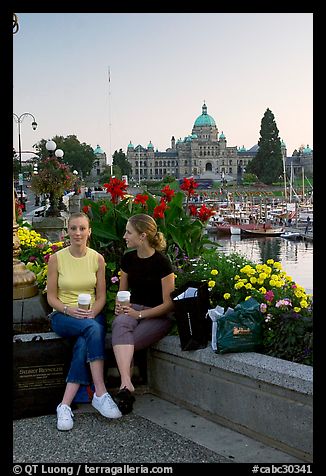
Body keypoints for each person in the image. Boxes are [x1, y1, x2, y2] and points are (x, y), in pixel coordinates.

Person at [47, 211, 122, 431]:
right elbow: (51, 297)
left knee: (84, 340)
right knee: (92, 329)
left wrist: (92, 313)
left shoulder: (97, 258)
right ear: (67, 232)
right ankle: (100, 391)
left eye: (82, 228)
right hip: (63, 315)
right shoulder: (56, 259)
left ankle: (64, 405)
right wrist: (68, 310)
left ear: (89, 232)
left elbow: (100, 297)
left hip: (90, 314)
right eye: (73, 228)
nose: (78, 233)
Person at [112, 213, 175, 414]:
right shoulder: (128, 259)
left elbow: (169, 305)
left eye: (128, 232)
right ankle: (126, 384)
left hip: (157, 315)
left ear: (142, 236)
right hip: (133, 308)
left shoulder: (162, 263)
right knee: (120, 325)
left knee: (127, 342)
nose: (124, 236)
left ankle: (124, 389)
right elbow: (122, 293)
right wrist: (120, 307)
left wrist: (139, 315)